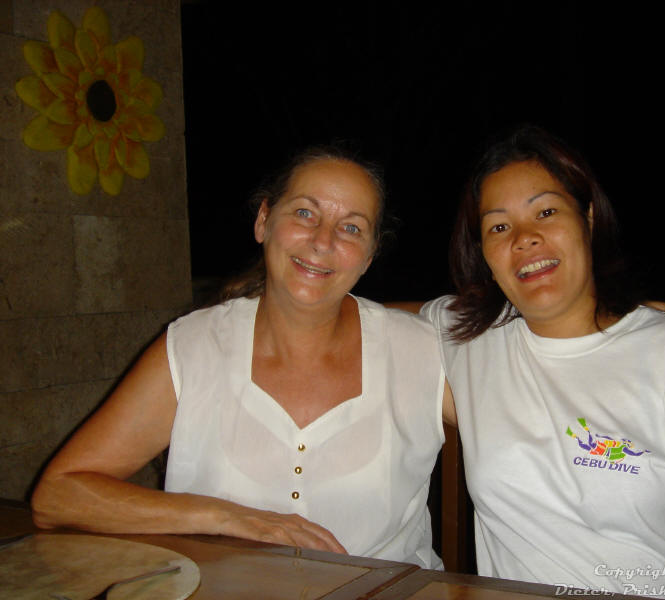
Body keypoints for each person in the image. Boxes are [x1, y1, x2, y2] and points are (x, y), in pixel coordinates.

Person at [31, 145, 455, 569]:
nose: (323, 241)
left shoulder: (418, 351)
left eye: (351, 228)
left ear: (369, 255)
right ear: (263, 221)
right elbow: (58, 495)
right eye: (305, 213)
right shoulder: (196, 346)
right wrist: (225, 517)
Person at [419, 125, 665, 598]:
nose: (525, 238)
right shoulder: (469, 339)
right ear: (484, 256)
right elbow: (360, 319)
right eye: (499, 227)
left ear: (589, 219)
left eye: (546, 212)